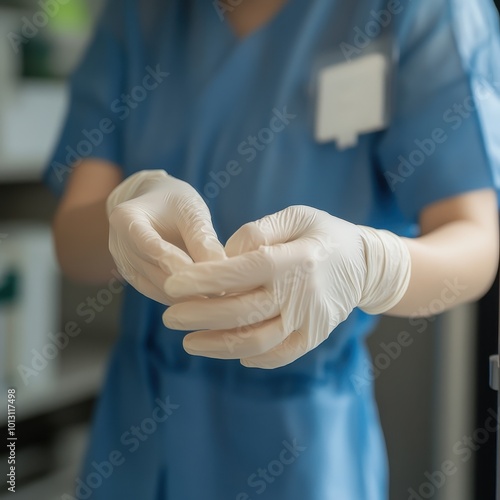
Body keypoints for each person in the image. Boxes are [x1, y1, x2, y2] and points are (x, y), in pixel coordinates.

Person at [44, 0, 500, 498]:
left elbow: (474, 241)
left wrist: (373, 265)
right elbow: (71, 240)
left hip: (301, 448)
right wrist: (120, 212)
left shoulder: (416, 12)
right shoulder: (140, 14)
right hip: (136, 434)